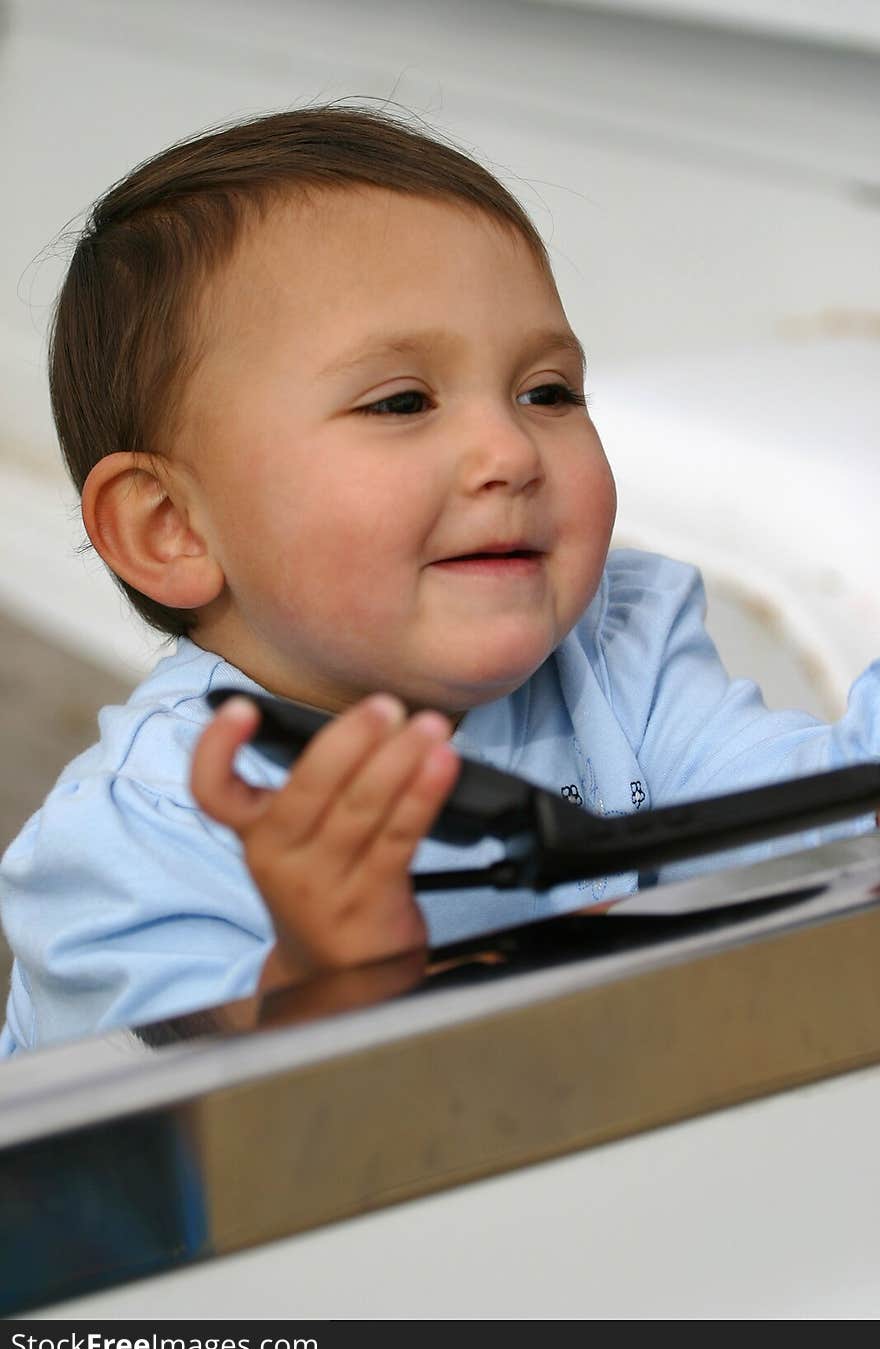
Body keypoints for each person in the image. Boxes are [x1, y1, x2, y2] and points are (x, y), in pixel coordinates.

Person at [2, 105, 878, 1056]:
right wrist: (314, 985)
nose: (509, 450)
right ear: (170, 527)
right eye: (402, 402)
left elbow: (817, 829)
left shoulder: (623, 651)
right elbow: (140, 1154)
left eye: (547, 392)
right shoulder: (141, 837)